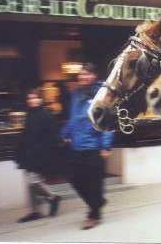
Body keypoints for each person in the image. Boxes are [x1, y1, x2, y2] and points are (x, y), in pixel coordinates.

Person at [60, 62, 114, 230]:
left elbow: (107, 120)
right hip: (77, 145)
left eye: (87, 74)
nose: (83, 77)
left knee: (93, 183)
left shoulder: (102, 93)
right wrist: (65, 133)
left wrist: (105, 145)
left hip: (94, 146)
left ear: (94, 75)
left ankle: (94, 215)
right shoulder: (76, 92)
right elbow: (73, 117)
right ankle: (96, 201)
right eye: (81, 74)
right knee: (74, 178)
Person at [15, 88, 62, 223]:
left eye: (35, 98)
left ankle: (53, 198)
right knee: (29, 184)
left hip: (40, 155)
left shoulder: (47, 115)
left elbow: (53, 138)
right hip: (28, 154)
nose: (32, 101)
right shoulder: (29, 115)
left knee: (34, 182)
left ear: (41, 99)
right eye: (29, 98)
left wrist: (47, 154)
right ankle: (34, 211)